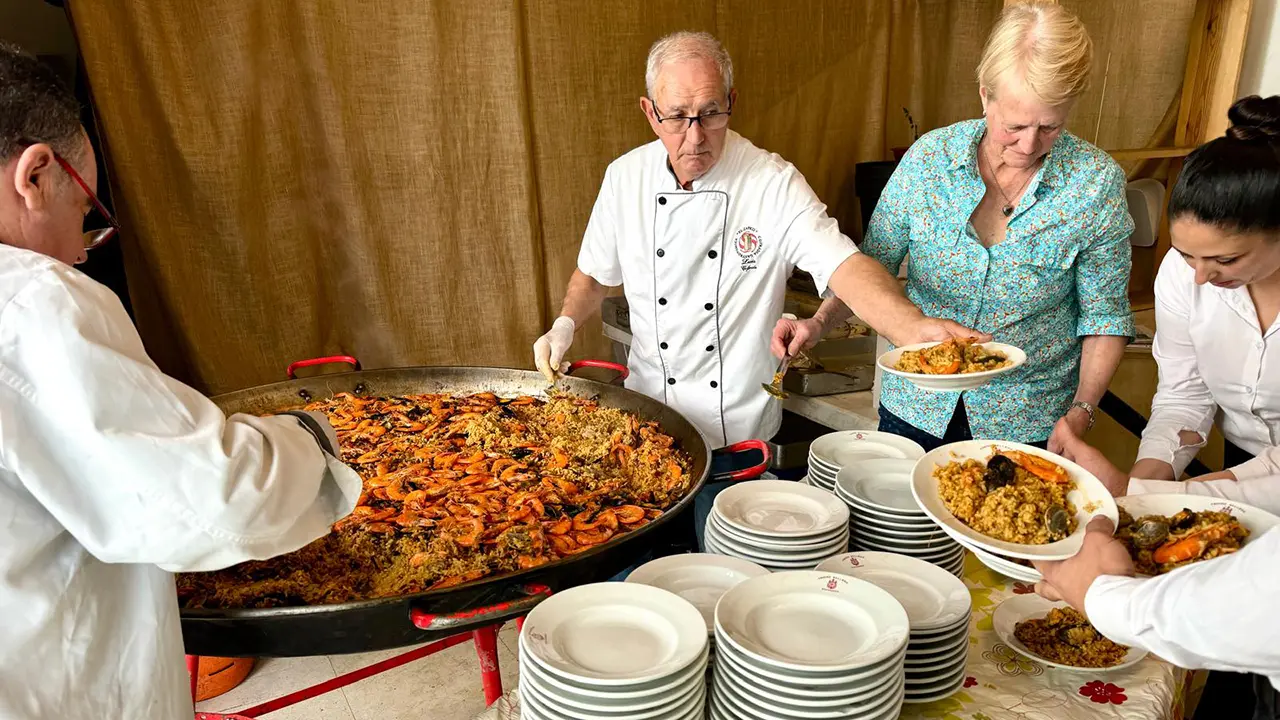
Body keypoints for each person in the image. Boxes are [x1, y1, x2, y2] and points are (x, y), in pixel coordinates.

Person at [0, 44, 362, 719]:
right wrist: (311, 437)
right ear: (36, 175)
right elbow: (217, 499)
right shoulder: (31, 304)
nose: (82, 249)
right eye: (85, 213)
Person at [533, 31, 979, 452]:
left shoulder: (772, 183)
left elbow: (845, 267)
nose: (695, 136)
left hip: (736, 433)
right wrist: (565, 324)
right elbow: (593, 274)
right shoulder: (624, 177)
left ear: (732, 102)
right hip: (648, 423)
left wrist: (912, 329)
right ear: (650, 113)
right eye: (676, 117)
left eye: (711, 113)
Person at [861, 1, 1135, 453]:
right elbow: (873, 264)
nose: (1029, 145)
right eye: (1015, 126)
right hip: (917, 402)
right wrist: (819, 321)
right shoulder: (932, 159)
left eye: (1050, 127)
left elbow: (1104, 315)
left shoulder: (1095, 183)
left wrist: (1082, 410)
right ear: (985, 95)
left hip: (1030, 414)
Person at [1129, 94, 1280, 482]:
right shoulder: (1183, 275)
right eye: (1185, 255)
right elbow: (1185, 395)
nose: (1200, 276)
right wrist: (1146, 481)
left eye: (1226, 260)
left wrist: (1188, 496)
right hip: (1241, 460)